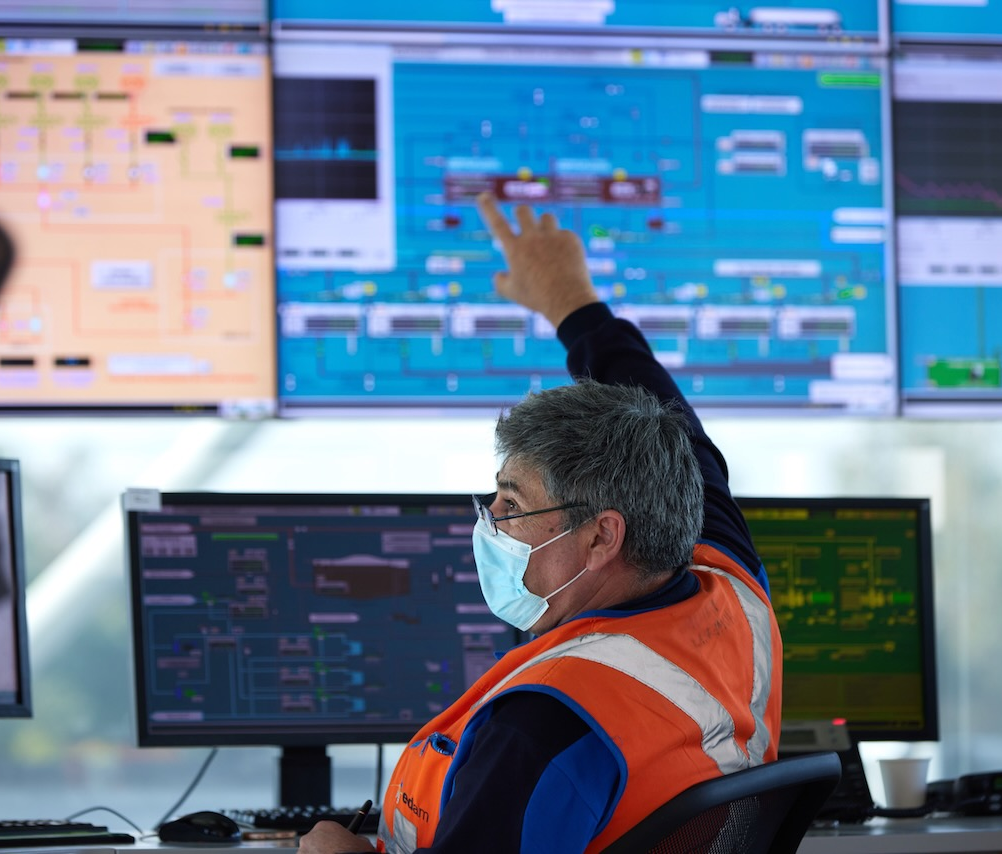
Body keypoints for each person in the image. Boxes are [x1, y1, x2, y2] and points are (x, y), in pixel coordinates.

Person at [298, 192, 781, 854]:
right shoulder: (730, 588)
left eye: (513, 504)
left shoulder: (538, 725)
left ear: (602, 536)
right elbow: (673, 424)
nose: (490, 523)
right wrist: (571, 302)